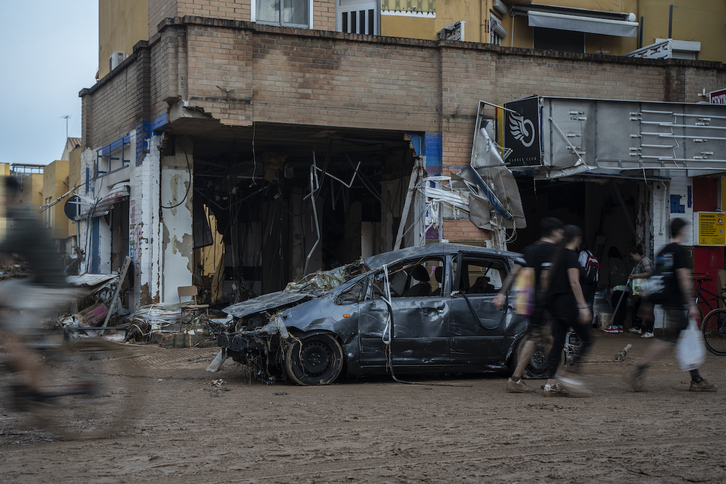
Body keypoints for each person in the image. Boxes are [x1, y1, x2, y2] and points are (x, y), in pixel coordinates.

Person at [0, 176, 74, 405]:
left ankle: (36, 389)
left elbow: (4, 248)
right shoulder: (19, 218)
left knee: (16, 341)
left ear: (10, 196)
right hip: (41, 284)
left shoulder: (24, 221)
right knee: (4, 290)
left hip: (50, 289)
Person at [624, 218, 716, 392]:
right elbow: (683, 277)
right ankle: (639, 370)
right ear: (681, 231)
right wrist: (691, 303)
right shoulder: (679, 251)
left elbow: (656, 278)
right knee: (669, 339)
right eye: (686, 230)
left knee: (683, 338)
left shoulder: (663, 251)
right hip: (676, 301)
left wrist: (648, 303)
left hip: (667, 301)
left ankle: (696, 378)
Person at [494, 217, 564, 393]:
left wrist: (502, 293)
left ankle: (518, 379)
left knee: (537, 339)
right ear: (555, 232)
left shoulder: (529, 250)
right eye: (561, 232)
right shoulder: (552, 251)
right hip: (545, 303)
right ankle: (551, 382)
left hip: (531, 304)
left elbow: (513, 273)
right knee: (549, 340)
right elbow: (546, 278)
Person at [542, 225, 593, 397]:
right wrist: (583, 307)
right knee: (587, 340)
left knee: (557, 343)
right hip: (569, 305)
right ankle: (570, 374)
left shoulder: (557, 255)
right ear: (577, 239)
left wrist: (548, 305)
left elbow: (546, 280)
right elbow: (574, 283)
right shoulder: (571, 256)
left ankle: (550, 384)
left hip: (555, 305)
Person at [628, 245, 654, 337]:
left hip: (647, 289)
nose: (632, 258)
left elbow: (649, 273)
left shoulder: (644, 261)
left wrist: (635, 276)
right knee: (639, 307)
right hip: (642, 290)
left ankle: (649, 331)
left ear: (636, 254)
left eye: (632, 256)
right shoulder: (639, 262)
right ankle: (638, 327)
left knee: (647, 309)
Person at [603, 247, 629, 334]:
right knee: (622, 307)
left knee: (616, 306)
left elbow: (612, 274)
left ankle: (614, 326)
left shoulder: (613, 260)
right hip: (625, 287)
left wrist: (611, 286)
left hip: (617, 287)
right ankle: (620, 326)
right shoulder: (622, 261)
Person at [577, 240, 598, 322]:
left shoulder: (582, 253)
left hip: (585, 282)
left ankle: (582, 320)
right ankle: (590, 320)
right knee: (590, 302)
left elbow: (581, 267)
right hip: (593, 282)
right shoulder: (591, 254)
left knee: (583, 301)